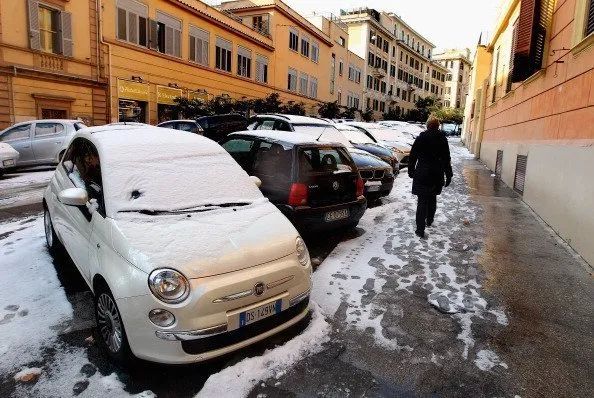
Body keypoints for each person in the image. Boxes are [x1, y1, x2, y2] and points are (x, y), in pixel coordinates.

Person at [408, 117, 453, 238]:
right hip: (436, 173)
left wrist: (411, 170)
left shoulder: (421, 138)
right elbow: (446, 159)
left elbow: (413, 156)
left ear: (427, 126)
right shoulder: (442, 139)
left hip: (422, 172)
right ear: (438, 126)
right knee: (432, 197)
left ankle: (420, 229)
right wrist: (448, 174)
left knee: (422, 201)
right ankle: (429, 220)